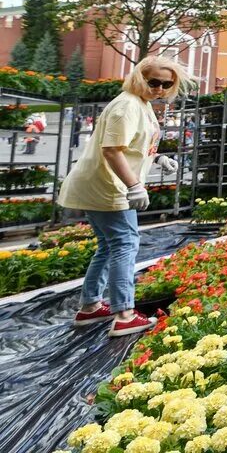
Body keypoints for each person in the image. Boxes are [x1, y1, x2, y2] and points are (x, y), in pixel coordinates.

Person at [58, 55, 194, 337]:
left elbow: (131, 146)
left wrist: (157, 160)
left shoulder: (139, 104)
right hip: (108, 187)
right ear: (139, 77)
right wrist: (134, 185)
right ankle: (124, 314)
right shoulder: (126, 106)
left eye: (166, 83)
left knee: (109, 245)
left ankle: (91, 306)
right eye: (153, 81)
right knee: (124, 243)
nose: (159, 88)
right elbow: (112, 149)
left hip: (106, 185)